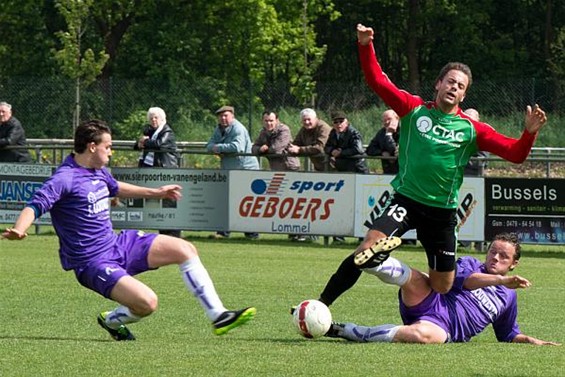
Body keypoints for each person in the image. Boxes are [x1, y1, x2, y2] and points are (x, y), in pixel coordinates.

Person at [316, 24, 549, 308]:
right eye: (450, 81)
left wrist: (529, 133)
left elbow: (516, 155)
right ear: (438, 84)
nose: (454, 87)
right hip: (406, 201)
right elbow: (377, 80)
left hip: (442, 214)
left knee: (442, 285)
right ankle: (319, 306)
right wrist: (365, 45)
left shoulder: (472, 129)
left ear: (464, 96)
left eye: (460, 86)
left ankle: (397, 270)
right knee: (366, 248)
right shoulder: (413, 110)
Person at [1, 119, 256, 341]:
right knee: (148, 303)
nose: (111, 152)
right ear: (92, 146)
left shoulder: (98, 172)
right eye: (108, 147)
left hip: (118, 244)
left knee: (184, 249)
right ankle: (112, 320)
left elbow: (116, 187)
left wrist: (155, 192)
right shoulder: (64, 178)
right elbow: (35, 205)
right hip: (92, 263)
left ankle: (218, 315)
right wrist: (20, 229)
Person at [326, 233, 560, 346]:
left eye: (503, 256)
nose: (495, 258)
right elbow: (464, 281)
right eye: (492, 252)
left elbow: (507, 334)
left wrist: (532, 340)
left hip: (444, 328)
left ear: (514, 263)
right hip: (432, 300)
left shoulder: (509, 297)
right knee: (417, 278)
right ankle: (375, 262)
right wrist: (500, 281)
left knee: (422, 336)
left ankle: (349, 331)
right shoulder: (471, 264)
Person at [206, 105, 260, 239]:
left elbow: (238, 147)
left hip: (246, 170)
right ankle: (224, 232)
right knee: (228, 201)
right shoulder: (219, 129)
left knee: (247, 203)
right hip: (230, 170)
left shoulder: (238, 128)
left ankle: (251, 233)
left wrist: (218, 148)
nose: (223, 118)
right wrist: (217, 148)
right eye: (221, 116)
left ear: (232, 116)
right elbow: (208, 145)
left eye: (226, 115)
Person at [134, 106, 181, 238]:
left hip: (166, 171)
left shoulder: (167, 131)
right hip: (152, 173)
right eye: (151, 118)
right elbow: (139, 144)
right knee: (154, 202)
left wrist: (145, 141)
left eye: (156, 117)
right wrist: (140, 143)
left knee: (168, 202)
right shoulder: (150, 132)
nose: (153, 120)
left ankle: (173, 232)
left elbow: (159, 144)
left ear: (162, 119)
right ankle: (161, 230)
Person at [324, 110, 369, 243]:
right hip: (343, 173)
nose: (338, 124)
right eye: (336, 122)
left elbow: (358, 150)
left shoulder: (353, 132)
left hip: (358, 172)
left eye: (341, 121)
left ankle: (362, 237)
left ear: (346, 121)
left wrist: (340, 152)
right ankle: (338, 237)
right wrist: (332, 151)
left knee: (361, 207)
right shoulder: (333, 133)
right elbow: (326, 147)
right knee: (342, 205)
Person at [365, 109, 400, 174]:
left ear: (397, 119)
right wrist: (382, 153)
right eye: (384, 120)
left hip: (403, 172)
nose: (386, 122)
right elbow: (369, 149)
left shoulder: (405, 131)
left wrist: (389, 134)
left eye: (389, 119)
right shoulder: (381, 133)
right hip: (387, 171)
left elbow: (393, 151)